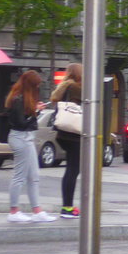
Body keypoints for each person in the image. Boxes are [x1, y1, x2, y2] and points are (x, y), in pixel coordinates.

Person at [5, 70, 55, 223]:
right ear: (30, 85)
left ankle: (37, 210)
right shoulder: (18, 99)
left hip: (26, 138)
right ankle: (14, 211)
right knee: (19, 176)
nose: (37, 89)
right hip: (21, 138)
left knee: (33, 176)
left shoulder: (20, 98)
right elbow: (21, 123)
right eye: (36, 86)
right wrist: (35, 112)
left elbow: (24, 120)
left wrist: (34, 111)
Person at [51, 62, 83, 218]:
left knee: (70, 169)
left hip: (62, 133)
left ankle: (67, 206)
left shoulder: (63, 87)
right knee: (73, 170)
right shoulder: (76, 88)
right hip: (74, 135)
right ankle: (67, 208)